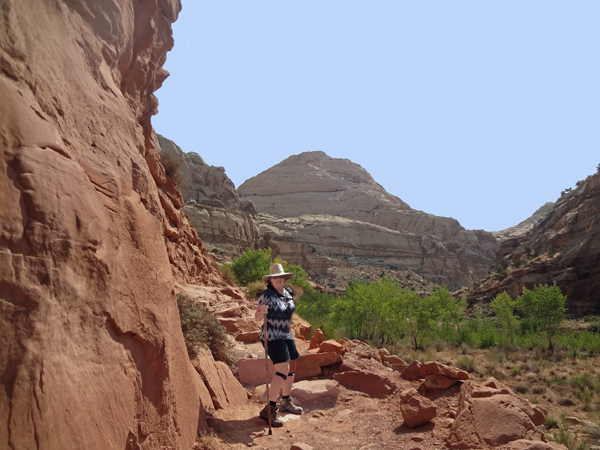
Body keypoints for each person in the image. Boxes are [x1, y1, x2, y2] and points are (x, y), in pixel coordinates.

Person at [255, 263, 303, 427]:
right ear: (271, 279)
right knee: (283, 369)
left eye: (281, 276)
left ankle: (286, 401)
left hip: (285, 333)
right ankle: (269, 409)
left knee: (292, 364)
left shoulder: (288, 292)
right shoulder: (266, 295)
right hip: (272, 335)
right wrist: (262, 312)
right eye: (276, 277)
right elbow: (256, 317)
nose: (279, 279)